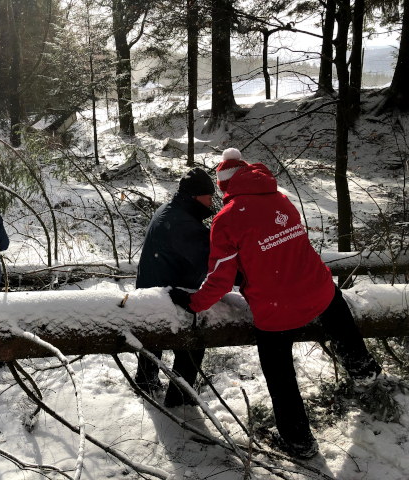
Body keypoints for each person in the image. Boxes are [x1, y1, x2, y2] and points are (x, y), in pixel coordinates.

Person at [170, 148, 381, 458]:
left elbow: (221, 279)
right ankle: (364, 370)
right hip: (319, 289)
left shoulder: (226, 219)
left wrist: (193, 303)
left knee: (279, 373)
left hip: (276, 309)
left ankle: (299, 441)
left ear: (224, 186)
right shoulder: (280, 198)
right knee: (336, 309)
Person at [135, 167, 215, 408]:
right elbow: (213, 262)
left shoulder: (171, 211)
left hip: (151, 290)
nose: (212, 202)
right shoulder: (183, 224)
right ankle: (179, 400)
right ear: (195, 196)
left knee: (153, 342)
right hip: (168, 296)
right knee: (193, 340)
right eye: (209, 197)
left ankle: (146, 383)